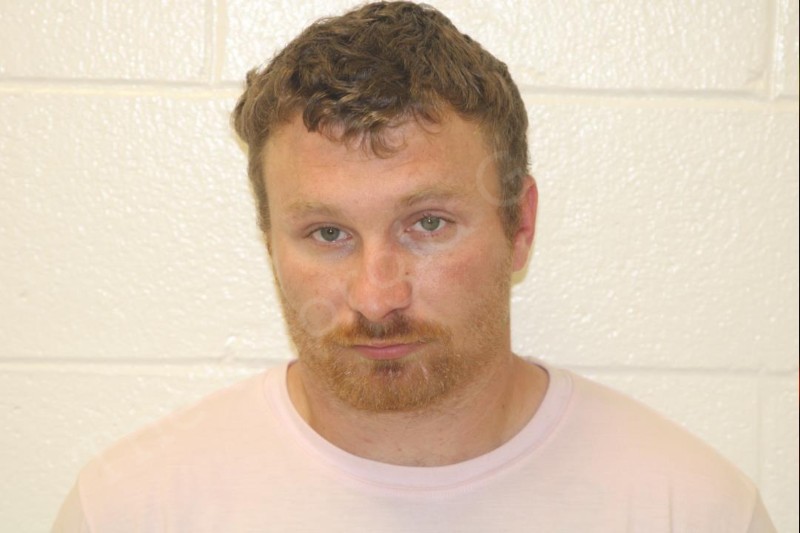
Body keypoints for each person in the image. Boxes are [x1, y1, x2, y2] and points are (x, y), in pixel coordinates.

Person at [53, 2, 776, 531]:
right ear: (270, 240)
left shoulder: (692, 508)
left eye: (428, 224)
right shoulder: (130, 509)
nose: (377, 296)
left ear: (519, 226)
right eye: (328, 232)